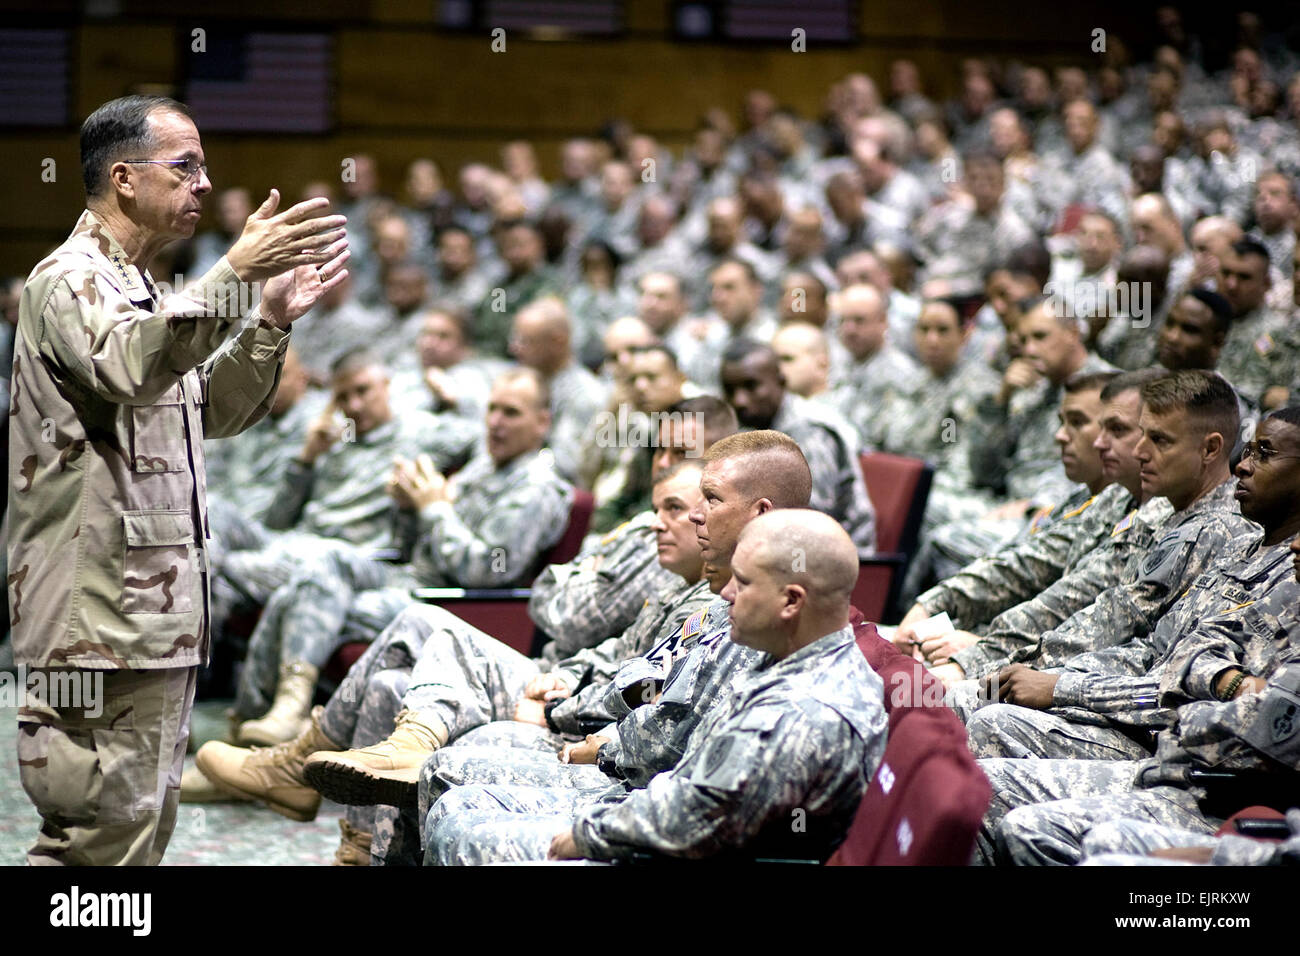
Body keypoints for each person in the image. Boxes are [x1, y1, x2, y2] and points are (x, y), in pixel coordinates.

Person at [8, 94, 349, 865]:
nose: (202, 183)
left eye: (204, 168)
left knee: (134, 833)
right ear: (124, 178)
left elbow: (214, 414)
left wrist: (267, 320)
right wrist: (235, 273)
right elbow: (133, 365)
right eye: (185, 166)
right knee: (93, 842)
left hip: (149, 620)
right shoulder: (68, 280)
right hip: (93, 623)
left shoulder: (144, 290)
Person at [429, 510, 887, 865]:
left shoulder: (801, 713)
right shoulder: (790, 657)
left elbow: (696, 817)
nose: (725, 595)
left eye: (742, 584)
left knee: (458, 830)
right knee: (460, 803)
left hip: (663, 849)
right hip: (649, 813)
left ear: (791, 601)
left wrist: (590, 832)